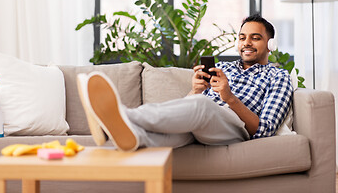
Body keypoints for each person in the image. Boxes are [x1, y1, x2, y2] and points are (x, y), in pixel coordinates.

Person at [77, 14, 294, 152]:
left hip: (235, 130)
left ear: (269, 44)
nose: (246, 42)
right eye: (242, 37)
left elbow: (264, 130)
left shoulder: (278, 76)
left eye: (255, 38)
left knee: (203, 106)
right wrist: (195, 91)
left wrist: (229, 97)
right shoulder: (224, 69)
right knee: (164, 137)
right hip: (204, 125)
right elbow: (192, 107)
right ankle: (120, 134)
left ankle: (121, 114)